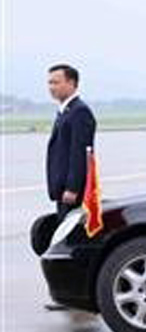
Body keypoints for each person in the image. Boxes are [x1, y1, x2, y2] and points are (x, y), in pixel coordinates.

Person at [45, 64, 96, 218]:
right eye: (49, 83)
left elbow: (79, 153)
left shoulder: (79, 112)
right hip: (62, 188)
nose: (51, 87)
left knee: (72, 234)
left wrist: (73, 188)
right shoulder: (65, 111)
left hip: (72, 192)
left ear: (72, 83)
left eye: (56, 82)